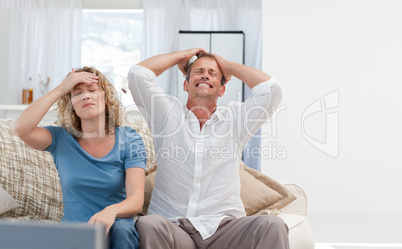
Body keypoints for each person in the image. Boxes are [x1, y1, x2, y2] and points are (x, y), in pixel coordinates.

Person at [127, 48, 289, 249]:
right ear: (185, 84)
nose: (205, 74)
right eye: (198, 71)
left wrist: (227, 65)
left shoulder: (235, 120)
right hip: (173, 226)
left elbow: (272, 90)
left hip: (224, 229)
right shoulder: (166, 114)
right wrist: (181, 57)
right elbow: (137, 75)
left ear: (222, 90)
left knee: (272, 225)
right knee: (148, 224)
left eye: (213, 73)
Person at [13, 67, 147, 249]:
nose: (85, 96)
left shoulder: (129, 138)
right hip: (75, 236)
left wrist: (111, 211)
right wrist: (61, 88)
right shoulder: (60, 138)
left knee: (122, 228)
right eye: (77, 93)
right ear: (71, 105)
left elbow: (136, 200)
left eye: (92, 90)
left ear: (106, 98)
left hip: (116, 232)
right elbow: (21, 129)